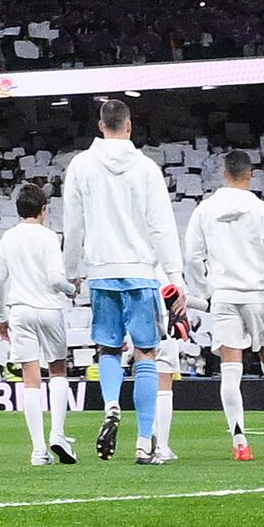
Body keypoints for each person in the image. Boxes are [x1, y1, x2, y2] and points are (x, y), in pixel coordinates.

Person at [62, 99, 183, 465]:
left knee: (108, 350)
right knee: (147, 353)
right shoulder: (146, 168)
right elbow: (161, 224)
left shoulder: (81, 165)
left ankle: (112, 402)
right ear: (128, 127)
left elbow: (74, 224)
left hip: (101, 271)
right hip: (141, 271)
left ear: (101, 126)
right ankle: (144, 442)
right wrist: (175, 275)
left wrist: (71, 272)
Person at [187, 153, 264, 459]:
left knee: (230, 370)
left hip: (224, 296)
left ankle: (241, 445)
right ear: (250, 175)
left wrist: (203, 290)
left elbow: (192, 257)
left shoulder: (205, 210)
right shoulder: (261, 210)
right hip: (258, 295)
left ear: (224, 173)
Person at [0, 182, 79, 464]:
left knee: (30, 377)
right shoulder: (49, 236)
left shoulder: (9, 238)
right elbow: (54, 278)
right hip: (49, 308)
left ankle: (39, 450)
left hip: (21, 310)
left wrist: (1, 317)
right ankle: (58, 433)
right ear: (43, 210)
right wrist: (72, 289)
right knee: (58, 370)